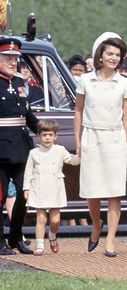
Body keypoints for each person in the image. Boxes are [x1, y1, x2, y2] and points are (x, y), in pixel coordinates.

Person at [74, 32, 127, 257]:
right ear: (100, 55)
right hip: (91, 136)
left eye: (117, 55)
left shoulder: (125, 83)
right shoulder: (85, 80)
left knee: (114, 193)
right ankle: (97, 224)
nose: (113, 58)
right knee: (92, 191)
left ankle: (110, 241)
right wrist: (78, 140)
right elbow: (78, 111)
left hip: (115, 139)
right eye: (109, 53)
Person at [0, 37, 39, 255]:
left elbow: (26, 114)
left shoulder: (17, 82)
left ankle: (16, 237)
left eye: (15, 58)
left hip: (22, 147)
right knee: (1, 196)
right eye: (7, 58)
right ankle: (0, 241)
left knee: (24, 196)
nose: (13, 62)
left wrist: (41, 130)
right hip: (2, 149)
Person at [23, 119, 80, 255]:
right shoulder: (34, 153)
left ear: (55, 136)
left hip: (55, 187)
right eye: (44, 135)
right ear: (39, 136)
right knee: (41, 218)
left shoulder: (60, 150)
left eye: (50, 135)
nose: (47, 138)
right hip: (39, 186)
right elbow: (28, 171)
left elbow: (72, 160)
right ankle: (40, 245)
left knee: (55, 220)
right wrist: (26, 188)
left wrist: (81, 155)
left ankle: (52, 236)